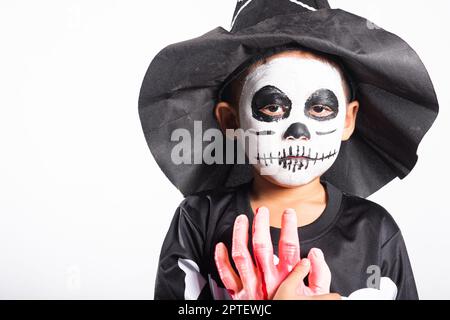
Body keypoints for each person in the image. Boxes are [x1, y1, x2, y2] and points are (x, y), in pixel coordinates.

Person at [138, 0, 439, 300]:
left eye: (320, 108)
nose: (298, 133)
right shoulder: (198, 221)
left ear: (348, 119)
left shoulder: (375, 230)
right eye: (272, 107)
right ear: (231, 121)